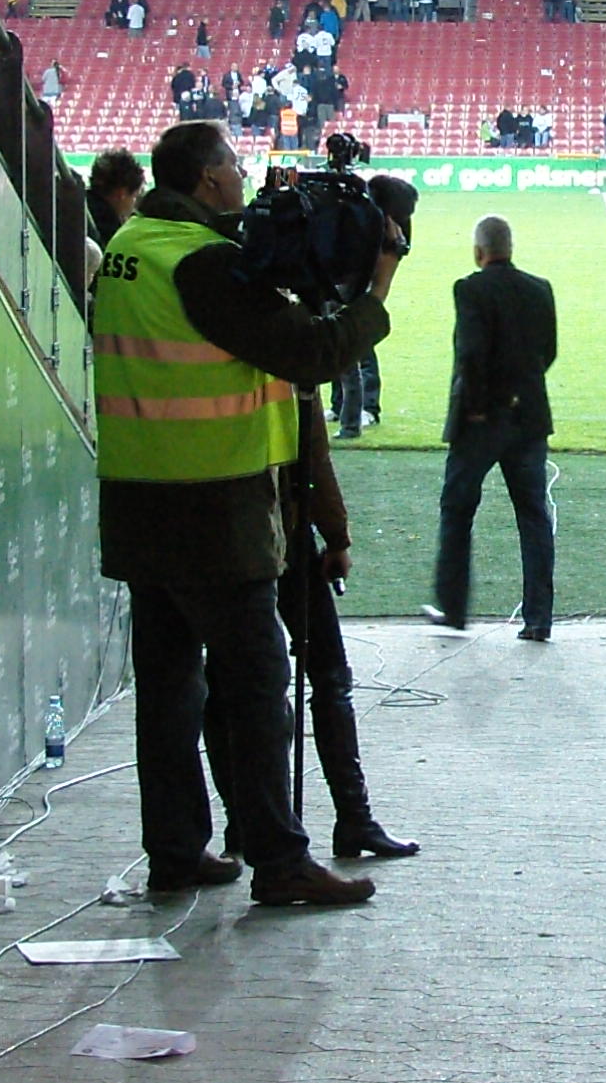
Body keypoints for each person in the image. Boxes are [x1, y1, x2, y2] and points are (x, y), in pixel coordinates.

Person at [94, 120, 402, 905]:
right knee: (259, 685)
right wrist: (377, 289)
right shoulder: (202, 264)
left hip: (138, 500)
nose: (240, 174)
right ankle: (279, 859)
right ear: (207, 177)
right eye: (232, 163)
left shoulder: (134, 243)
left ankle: (175, 852)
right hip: (213, 506)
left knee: (170, 691)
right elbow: (309, 352)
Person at [203, 386, 418, 862]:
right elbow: (313, 458)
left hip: (229, 535)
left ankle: (245, 824)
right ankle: (352, 818)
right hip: (280, 531)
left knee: (229, 684)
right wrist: (337, 537)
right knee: (327, 677)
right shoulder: (290, 363)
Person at [426, 215, 557, 640]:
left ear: (478, 251)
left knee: (457, 509)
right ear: (510, 248)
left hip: (480, 423)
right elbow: (548, 352)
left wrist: (481, 406)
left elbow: (471, 353)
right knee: (533, 516)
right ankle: (538, 618)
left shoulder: (470, 289)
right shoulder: (540, 289)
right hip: (529, 417)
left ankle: (453, 609)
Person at [85, 145, 146, 249]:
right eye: (135, 196)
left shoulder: (80, 205)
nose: (134, 207)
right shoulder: (109, 230)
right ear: (121, 194)